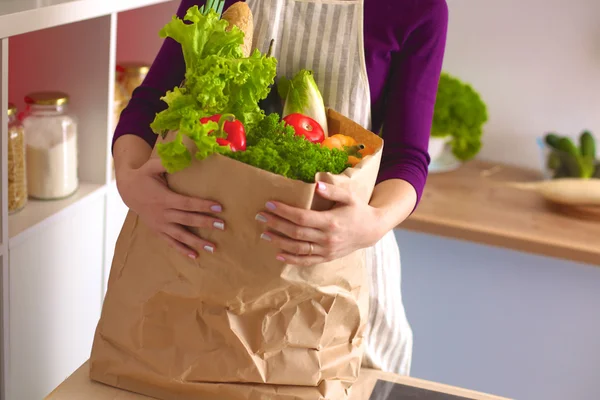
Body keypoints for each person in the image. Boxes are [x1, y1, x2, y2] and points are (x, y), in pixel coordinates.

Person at [113, 0, 448, 377]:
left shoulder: (416, 8)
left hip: (336, 273)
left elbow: (407, 156)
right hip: (203, 272)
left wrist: (371, 224)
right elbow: (149, 104)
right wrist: (128, 179)